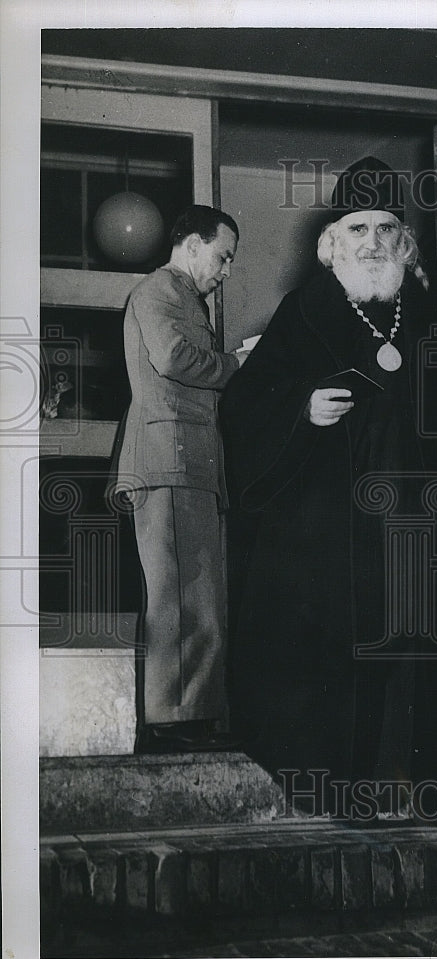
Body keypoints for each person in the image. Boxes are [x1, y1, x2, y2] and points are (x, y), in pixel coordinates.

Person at [221, 157, 437, 814]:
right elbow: (245, 403)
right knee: (340, 651)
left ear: (401, 243)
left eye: (384, 229)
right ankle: (342, 789)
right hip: (333, 525)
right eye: (356, 227)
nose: (370, 241)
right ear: (333, 241)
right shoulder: (302, 311)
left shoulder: (430, 313)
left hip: (426, 519)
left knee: (432, 653)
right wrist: (300, 407)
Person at [113, 204, 249, 753]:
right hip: (168, 463)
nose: (226, 270)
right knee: (176, 597)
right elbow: (172, 358)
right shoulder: (160, 289)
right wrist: (238, 364)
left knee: (199, 596)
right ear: (192, 244)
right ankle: (172, 719)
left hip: (190, 464)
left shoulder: (186, 297)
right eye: (223, 256)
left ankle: (192, 714)